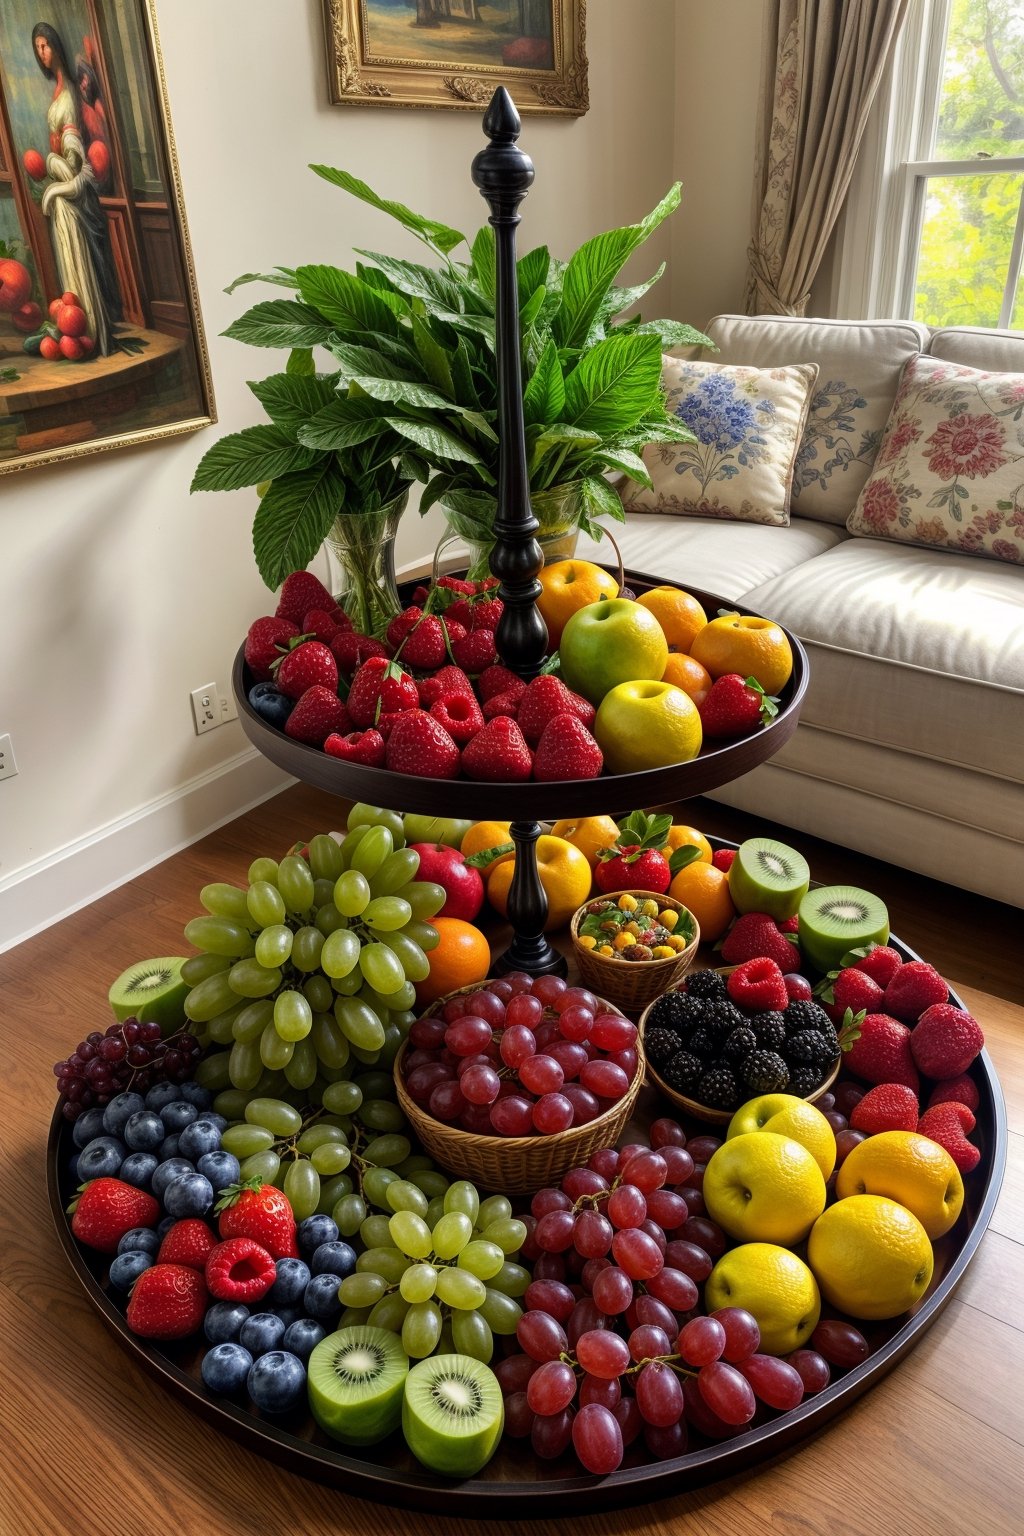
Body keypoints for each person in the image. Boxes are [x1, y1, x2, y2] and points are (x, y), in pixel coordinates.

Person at [32, 22, 121, 355]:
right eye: (37, 48)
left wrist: (56, 190)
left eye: (46, 46)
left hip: (72, 200)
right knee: (71, 278)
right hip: (64, 203)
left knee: (78, 272)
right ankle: (79, 337)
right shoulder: (59, 91)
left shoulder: (68, 92)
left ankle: (93, 336)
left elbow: (81, 169)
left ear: (56, 46)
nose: (42, 53)